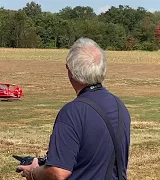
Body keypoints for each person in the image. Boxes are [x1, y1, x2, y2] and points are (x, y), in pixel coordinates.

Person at [18, 38, 131, 180]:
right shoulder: (120, 106)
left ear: (70, 70)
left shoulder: (72, 112)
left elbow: (58, 172)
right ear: (103, 69)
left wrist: (33, 173)